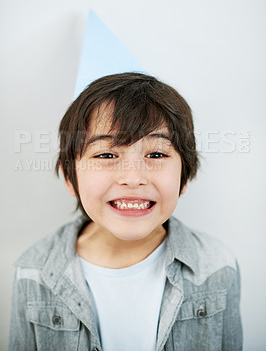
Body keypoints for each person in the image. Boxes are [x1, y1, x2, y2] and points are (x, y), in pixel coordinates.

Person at [8, 72, 243, 351]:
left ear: (185, 176)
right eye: (106, 155)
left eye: (156, 154)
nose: (133, 178)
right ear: (70, 178)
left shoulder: (217, 266)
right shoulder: (33, 272)